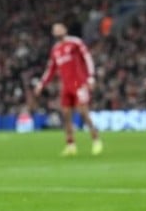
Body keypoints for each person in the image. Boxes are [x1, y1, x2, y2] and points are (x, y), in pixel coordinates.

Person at [34, 22, 103, 156]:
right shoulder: (55, 49)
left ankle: (96, 140)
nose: (57, 31)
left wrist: (91, 78)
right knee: (66, 116)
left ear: (65, 30)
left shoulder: (75, 43)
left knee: (83, 112)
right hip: (66, 86)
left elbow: (88, 58)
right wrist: (41, 84)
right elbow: (51, 69)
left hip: (79, 84)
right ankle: (71, 144)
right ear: (53, 33)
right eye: (55, 29)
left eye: (59, 28)